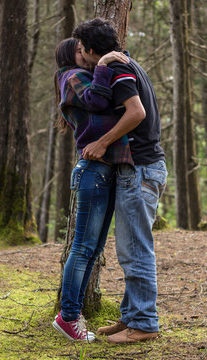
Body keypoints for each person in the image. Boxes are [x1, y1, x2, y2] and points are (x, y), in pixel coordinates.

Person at [72, 18, 167, 344]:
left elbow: (136, 112)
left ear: (92, 50)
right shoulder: (126, 64)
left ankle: (144, 324)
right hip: (142, 168)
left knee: (135, 248)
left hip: (140, 169)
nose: (79, 56)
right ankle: (131, 316)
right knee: (129, 247)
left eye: (82, 50)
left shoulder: (117, 70)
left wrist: (101, 142)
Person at [51, 38, 132, 342]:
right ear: (69, 56)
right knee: (83, 248)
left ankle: (72, 314)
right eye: (79, 50)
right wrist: (101, 65)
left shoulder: (83, 75)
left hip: (104, 170)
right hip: (93, 171)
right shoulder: (72, 76)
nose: (85, 53)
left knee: (94, 249)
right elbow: (98, 101)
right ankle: (69, 316)